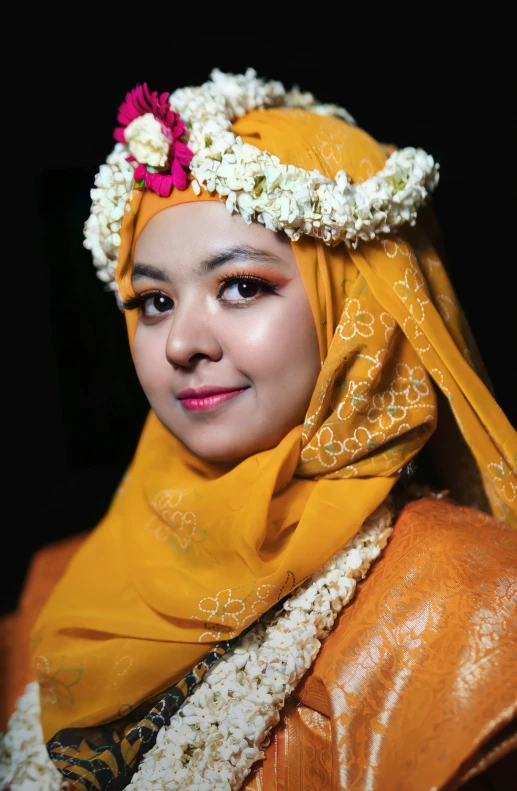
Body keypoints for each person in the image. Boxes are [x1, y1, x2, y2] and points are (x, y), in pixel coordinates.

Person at [1, 69, 516, 791]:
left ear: (355, 306)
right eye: (153, 300)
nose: (182, 341)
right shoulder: (56, 589)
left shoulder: (478, 606)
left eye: (241, 286)